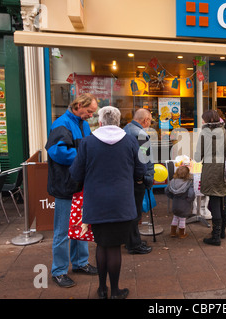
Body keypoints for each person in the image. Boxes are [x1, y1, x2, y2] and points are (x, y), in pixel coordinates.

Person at [69, 106, 146, 299]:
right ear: (119, 122)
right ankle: (116, 291)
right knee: (114, 247)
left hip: (96, 202)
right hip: (122, 202)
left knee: (102, 245)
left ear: (100, 122)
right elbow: (140, 170)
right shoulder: (130, 141)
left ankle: (102, 289)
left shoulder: (87, 143)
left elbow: (76, 173)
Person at [45, 93, 98, 288]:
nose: (91, 115)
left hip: (79, 185)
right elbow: (57, 152)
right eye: (89, 111)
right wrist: (85, 155)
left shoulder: (81, 123)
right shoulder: (62, 124)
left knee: (81, 226)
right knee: (62, 231)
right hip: (66, 186)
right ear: (78, 106)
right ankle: (58, 271)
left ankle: (80, 263)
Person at [194, 110, 226, 246]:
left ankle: (215, 236)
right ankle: (222, 231)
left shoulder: (205, 134)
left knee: (215, 200)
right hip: (225, 172)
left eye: (203, 119)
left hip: (211, 171)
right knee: (223, 199)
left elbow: (198, 157)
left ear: (208, 120)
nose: (202, 122)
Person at [123, 108, 154, 254]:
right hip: (137, 179)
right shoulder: (141, 134)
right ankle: (134, 244)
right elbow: (145, 160)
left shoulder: (125, 130)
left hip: (125, 177)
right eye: (150, 120)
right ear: (145, 120)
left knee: (128, 211)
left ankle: (129, 240)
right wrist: (147, 178)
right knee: (135, 212)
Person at [165, 165, 195, 239]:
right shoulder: (188, 183)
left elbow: (166, 190)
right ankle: (182, 233)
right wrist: (189, 200)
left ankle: (173, 232)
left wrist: (173, 197)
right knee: (182, 219)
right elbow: (191, 194)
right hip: (184, 204)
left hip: (175, 203)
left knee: (175, 217)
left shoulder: (173, 182)